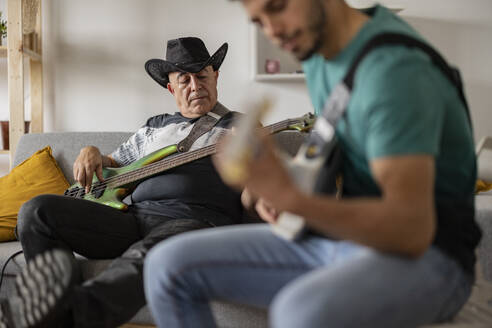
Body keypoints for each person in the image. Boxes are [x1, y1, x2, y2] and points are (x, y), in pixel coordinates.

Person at [143, 1, 482, 328]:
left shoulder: (393, 71)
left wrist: (297, 201)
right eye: (259, 20)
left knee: (299, 312)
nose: (273, 31)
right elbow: (332, 161)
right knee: (166, 266)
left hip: (429, 258)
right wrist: (278, 182)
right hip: (342, 242)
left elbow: (411, 231)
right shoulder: (321, 58)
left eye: (277, 6)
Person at [0, 37, 244, 328]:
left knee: (151, 253)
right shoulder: (155, 126)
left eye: (202, 76)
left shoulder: (241, 126)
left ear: (215, 75)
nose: (195, 86)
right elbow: (114, 163)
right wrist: (92, 153)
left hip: (193, 221)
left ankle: (67, 315)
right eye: (184, 80)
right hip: (132, 218)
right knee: (36, 212)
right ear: (171, 88)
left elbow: (261, 183)